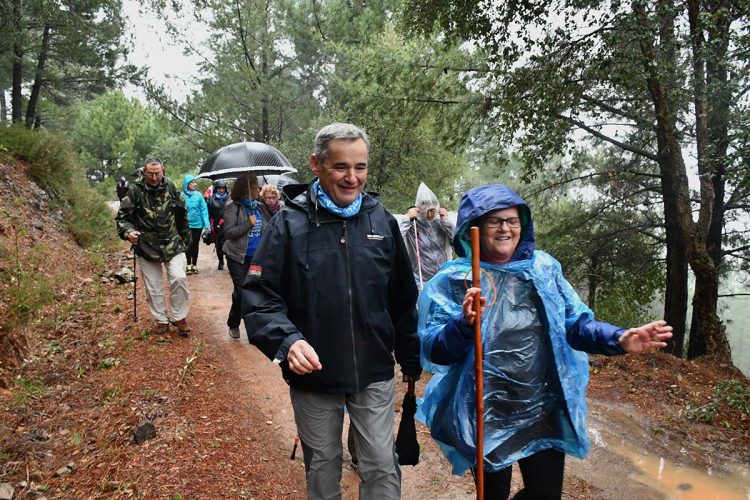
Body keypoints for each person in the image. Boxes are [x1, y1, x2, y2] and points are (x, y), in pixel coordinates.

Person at [416, 184, 673, 499]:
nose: (505, 228)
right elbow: (436, 349)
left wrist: (619, 338)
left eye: (512, 220)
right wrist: (464, 324)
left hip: (543, 406)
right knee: (491, 495)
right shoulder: (456, 280)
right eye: (494, 221)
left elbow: (575, 324)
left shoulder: (543, 269)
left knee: (545, 494)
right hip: (485, 408)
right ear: (474, 228)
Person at [241, 123, 421, 500]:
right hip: (313, 375)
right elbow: (259, 296)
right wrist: (287, 341)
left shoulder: (381, 221)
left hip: (373, 369)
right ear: (317, 165)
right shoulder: (288, 224)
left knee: (379, 462)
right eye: (341, 166)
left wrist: (410, 359)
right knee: (323, 464)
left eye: (361, 167)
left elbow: (403, 299)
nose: (352, 177)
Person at [115, 157, 192, 336]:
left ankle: (179, 317)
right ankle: (161, 320)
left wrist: (186, 241)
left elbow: (182, 215)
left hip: (172, 243)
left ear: (163, 170)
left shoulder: (172, 187)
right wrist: (129, 233)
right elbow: (122, 218)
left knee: (179, 278)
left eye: (157, 173)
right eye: (150, 174)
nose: (154, 178)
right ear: (144, 172)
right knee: (153, 286)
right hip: (147, 246)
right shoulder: (135, 190)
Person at [221, 173, 271, 339]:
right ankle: (234, 323)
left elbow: (270, 228)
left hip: (256, 258)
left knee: (256, 291)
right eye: (256, 186)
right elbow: (228, 233)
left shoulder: (260, 207)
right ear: (246, 189)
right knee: (242, 291)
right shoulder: (232, 207)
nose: (258, 189)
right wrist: (247, 224)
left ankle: (254, 326)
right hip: (237, 257)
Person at [399, 182, 454, 288]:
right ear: (419, 208)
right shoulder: (412, 224)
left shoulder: (441, 222)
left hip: (444, 277)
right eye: (426, 210)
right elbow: (397, 240)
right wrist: (407, 219)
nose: (429, 215)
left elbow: (457, 242)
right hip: (421, 281)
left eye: (432, 210)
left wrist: (447, 222)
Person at [182, 175, 210, 274]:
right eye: (192, 182)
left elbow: (204, 210)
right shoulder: (181, 195)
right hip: (186, 225)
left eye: (194, 182)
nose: (194, 184)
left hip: (198, 225)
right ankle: (188, 265)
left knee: (195, 244)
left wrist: (207, 226)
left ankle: (195, 265)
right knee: (188, 244)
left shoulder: (198, 195)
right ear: (187, 184)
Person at [207, 179, 229, 270]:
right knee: (218, 244)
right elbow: (208, 213)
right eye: (219, 188)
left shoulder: (230, 198)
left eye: (223, 188)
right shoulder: (211, 199)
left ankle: (230, 262)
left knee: (228, 244)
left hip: (228, 225)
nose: (221, 190)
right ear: (216, 188)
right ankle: (221, 261)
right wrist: (208, 225)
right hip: (216, 225)